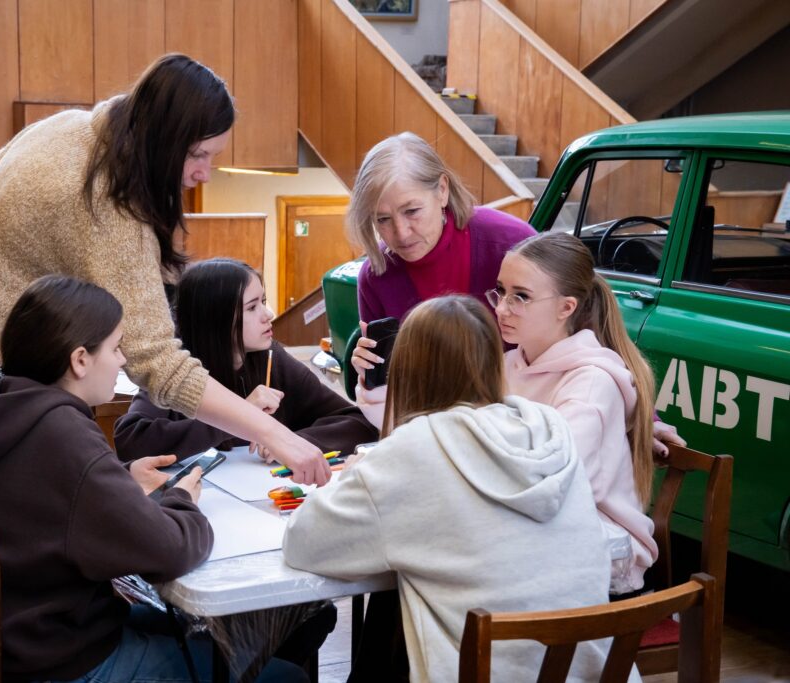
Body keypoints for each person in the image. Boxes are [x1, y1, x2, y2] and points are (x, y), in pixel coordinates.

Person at [0, 53, 330, 513]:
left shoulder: (66, 127)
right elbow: (161, 365)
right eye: (197, 154)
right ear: (161, 138)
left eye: (213, 155)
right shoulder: (111, 205)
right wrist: (272, 433)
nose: (205, 172)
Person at [0, 275, 308, 682]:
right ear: (80, 360)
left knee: (252, 634)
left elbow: (49, 501)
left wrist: (121, 478)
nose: (124, 360)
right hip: (70, 660)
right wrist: (181, 499)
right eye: (116, 347)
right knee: (284, 674)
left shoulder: (0, 408)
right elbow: (170, 551)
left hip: (31, 640)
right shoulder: (61, 433)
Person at [283, 295, 622, 682]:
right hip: (586, 669)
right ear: (495, 359)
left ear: (407, 369)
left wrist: (353, 476)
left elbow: (304, 543)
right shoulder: (548, 428)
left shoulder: (413, 448)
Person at [490, 232, 662, 595]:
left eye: (520, 296)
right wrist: (374, 383)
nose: (502, 307)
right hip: (545, 533)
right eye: (501, 291)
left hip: (603, 556)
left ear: (566, 307)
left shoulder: (590, 383)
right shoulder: (509, 364)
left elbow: (559, 481)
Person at [114, 258, 377, 461]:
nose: (269, 314)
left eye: (263, 301)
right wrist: (240, 418)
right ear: (214, 318)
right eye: (252, 307)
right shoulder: (176, 369)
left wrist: (289, 441)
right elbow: (130, 441)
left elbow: (358, 423)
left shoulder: (273, 358)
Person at [346, 132, 534, 411]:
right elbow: (391, 395)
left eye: (411, 211)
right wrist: (370, 376)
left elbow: (555, 350)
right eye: (382, 219)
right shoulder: (377, 275)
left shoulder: (511, 243)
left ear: (442, 190)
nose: (400, 232)